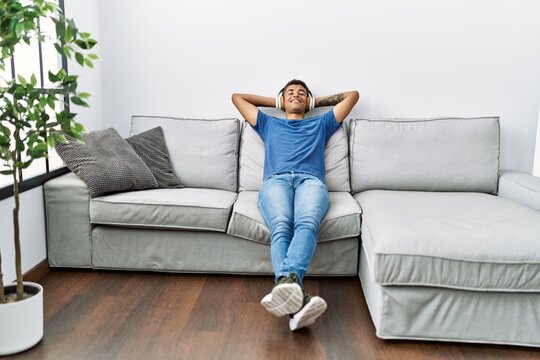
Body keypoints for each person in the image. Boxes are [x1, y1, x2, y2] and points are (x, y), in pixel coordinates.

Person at [231, 79, 359, 331]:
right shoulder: (268, 122)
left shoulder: (321, 123)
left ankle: (288, 287)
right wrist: (277, 103)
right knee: (281, 226)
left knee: (308, 222)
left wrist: (315, 104)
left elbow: (352, 95)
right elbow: (237, 98)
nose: (295, 95)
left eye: (302, 93)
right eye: (290, 92)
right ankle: (296, 294)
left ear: (308, 101)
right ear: (281, 100)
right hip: (275, 182)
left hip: (310, 182)